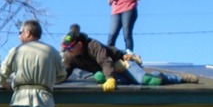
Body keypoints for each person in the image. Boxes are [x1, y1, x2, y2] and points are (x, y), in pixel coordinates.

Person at [61, 23, 197, 92]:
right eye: (67, 48)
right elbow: (65, 71)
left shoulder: (93, 45)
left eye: (71, 48)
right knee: (98, 77)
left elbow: (106, 61)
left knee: (146, 80)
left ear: (79, 44)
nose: (69, 51)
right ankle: (120, 80)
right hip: (109, 72)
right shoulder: (70, 56)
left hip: (121, 63)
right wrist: (54, 79)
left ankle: (180, 78)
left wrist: (110, 79)